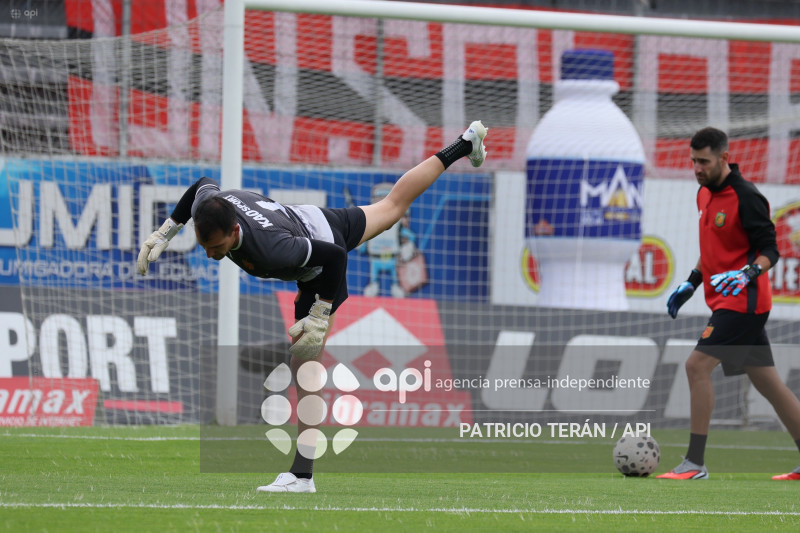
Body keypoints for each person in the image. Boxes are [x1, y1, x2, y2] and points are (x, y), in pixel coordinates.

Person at [137, 120, 488, 492]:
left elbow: (335, 256)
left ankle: (302, 476)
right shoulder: (209, 206)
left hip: (320, 266)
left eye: (217, 248)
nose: (211, 255)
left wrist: (320, 313)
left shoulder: (270, 249)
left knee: (304, 367)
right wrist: (166, 231)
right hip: (312, 218)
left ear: (235, 231)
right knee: (392, 205)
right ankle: (464, 145)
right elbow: (201, 183)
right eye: (205, 247)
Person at [659, 126, 800, 481]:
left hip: (744, 303)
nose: (697, 168)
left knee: (696, 366)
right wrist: (691, 282)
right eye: (693, 161)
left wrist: (748, 273)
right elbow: (713, 249)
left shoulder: (747, 196)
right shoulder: (703, 194)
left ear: (724, 157)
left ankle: (694, 463)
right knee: (769, 384)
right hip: (725, 302)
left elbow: (771, 250)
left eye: (704, 162)